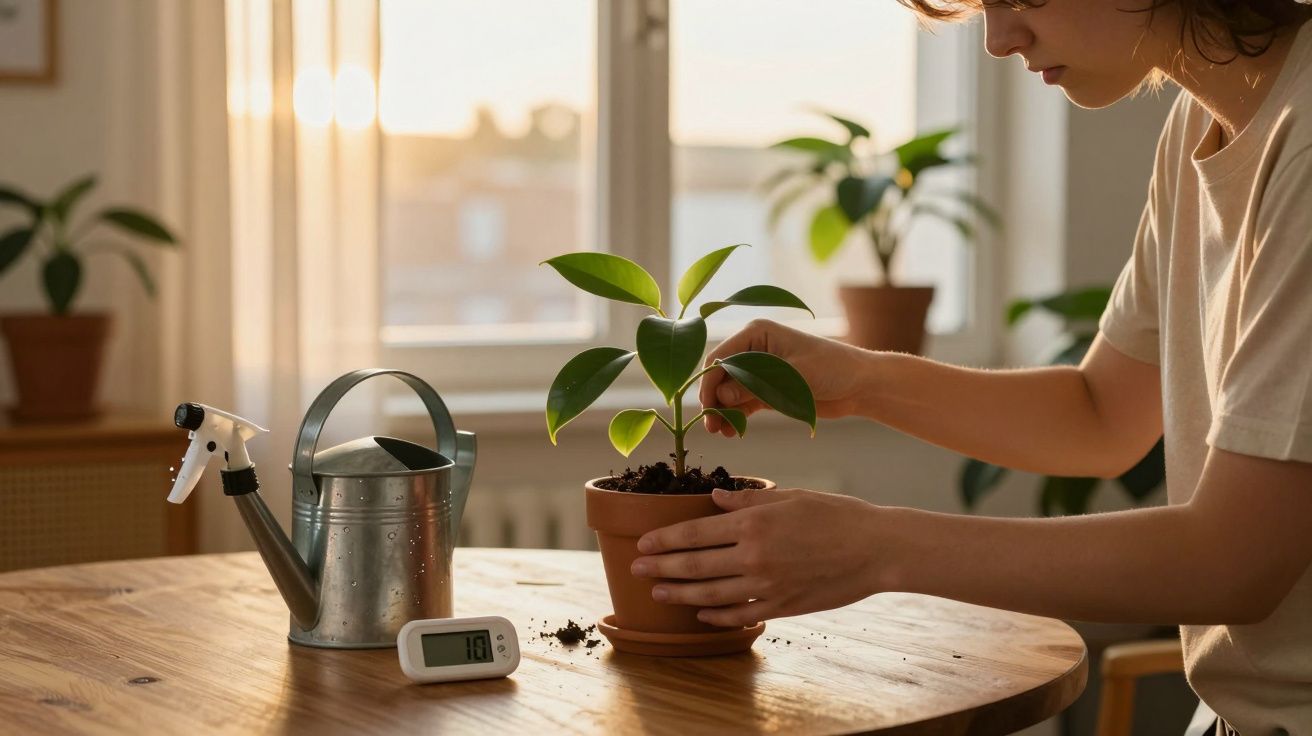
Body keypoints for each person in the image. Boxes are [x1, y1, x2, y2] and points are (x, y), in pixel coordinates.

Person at [628, 1, 1312, 733]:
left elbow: (1234, 561)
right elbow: (1102, 413)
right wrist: (861, 380)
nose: (998, 39)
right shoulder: (1196, 129)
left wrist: (877, 550)